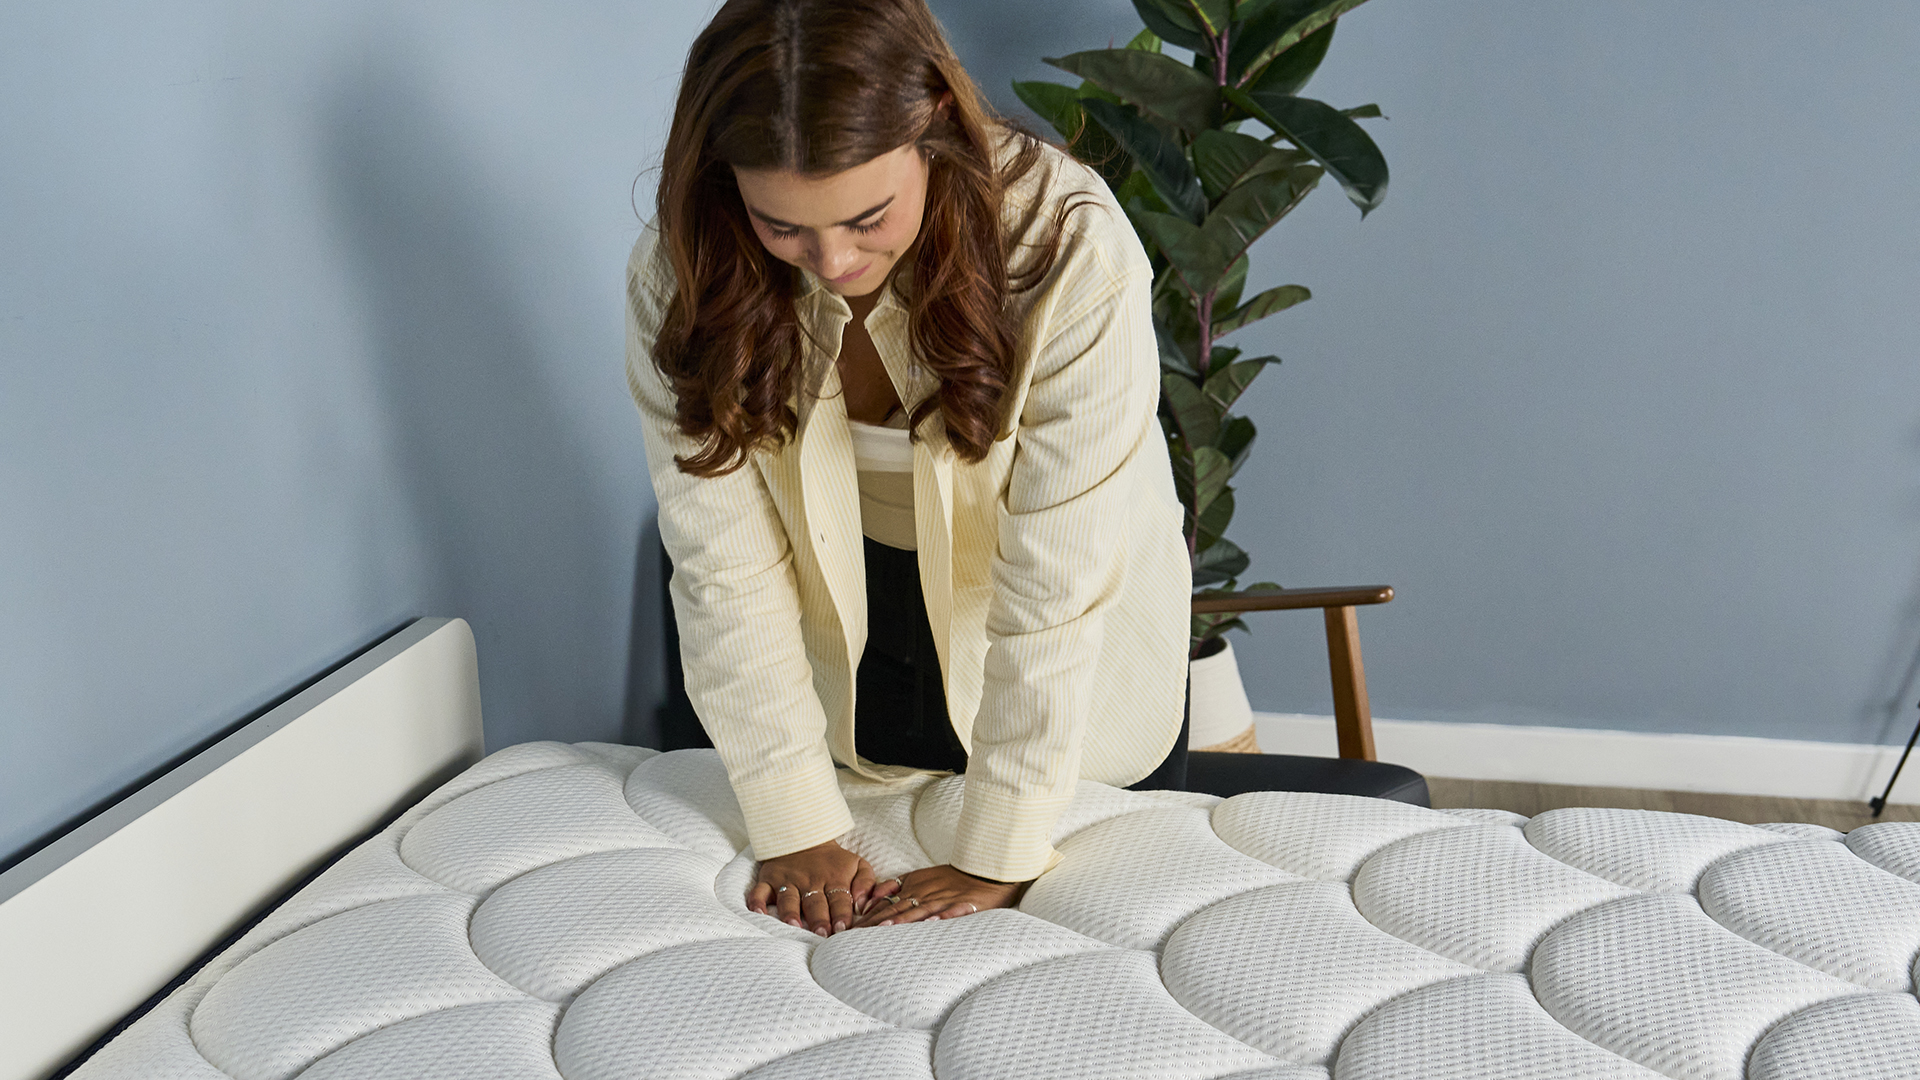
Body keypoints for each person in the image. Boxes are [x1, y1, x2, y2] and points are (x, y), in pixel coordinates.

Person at [626, 0, 1189, 938]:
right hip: (840, 635)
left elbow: (1056, 586)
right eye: (782, 226)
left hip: (1065, 653)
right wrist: (794, 821)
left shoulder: (1068, 245)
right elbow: (721, 561)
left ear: (933, 116)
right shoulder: (682, 277)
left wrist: (999, 849)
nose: (833, 260)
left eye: (867, 216)